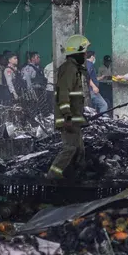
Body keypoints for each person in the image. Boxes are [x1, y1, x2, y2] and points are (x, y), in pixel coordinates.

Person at [48, 35, 91, 180]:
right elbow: (63, 94)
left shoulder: (75, 69)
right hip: (68, 118)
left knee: (79, 150)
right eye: (84, 52)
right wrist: (67, 115)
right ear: (76, 53)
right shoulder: (68, 69)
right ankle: (53, 176)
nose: (86, 55)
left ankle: (76, 176)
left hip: (74, 118)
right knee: (70, 148)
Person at [83, 50, 108, 116]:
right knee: (103, 105)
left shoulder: (87, 64)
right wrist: (94, 87)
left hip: (90, 90)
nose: (95, 58)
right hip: (92, 90)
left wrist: (100, 78)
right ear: (92, 57)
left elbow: (92, 78)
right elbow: (87, 77)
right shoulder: (89, 64)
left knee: (92, 109)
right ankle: (104, 120)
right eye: (94, 56)